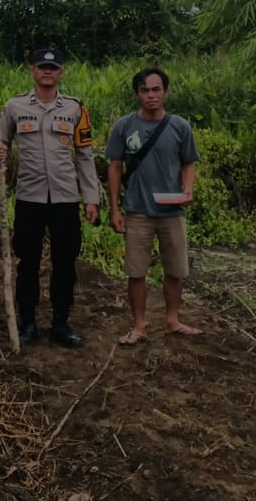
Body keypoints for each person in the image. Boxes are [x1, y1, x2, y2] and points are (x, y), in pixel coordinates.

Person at [0, 48, 100, 348]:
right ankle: (27, 323)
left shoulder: (76, 108)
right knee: (28, 262)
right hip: (30, 198)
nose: (47, 72)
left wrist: (91, 198)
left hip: (65, 199)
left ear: (61, 72)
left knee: (65, 263)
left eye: (53, 67)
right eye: (42, 67)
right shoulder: (14, 107)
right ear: (33, 71)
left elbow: (85, 156)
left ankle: (60, 323)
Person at [106, 67, 201, 345]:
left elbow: (188, 163)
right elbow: (114, 167)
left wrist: (187, 189)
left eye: (156, 89)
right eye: (145, 90)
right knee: (136, 271)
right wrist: (115, 209)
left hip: (172, 211)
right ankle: (139, 325)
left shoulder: (180, 126)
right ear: (137, 94)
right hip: (138, 211)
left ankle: (173, 320)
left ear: (166, 92)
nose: (151, 95)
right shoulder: (124, 126)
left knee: (175, 269)